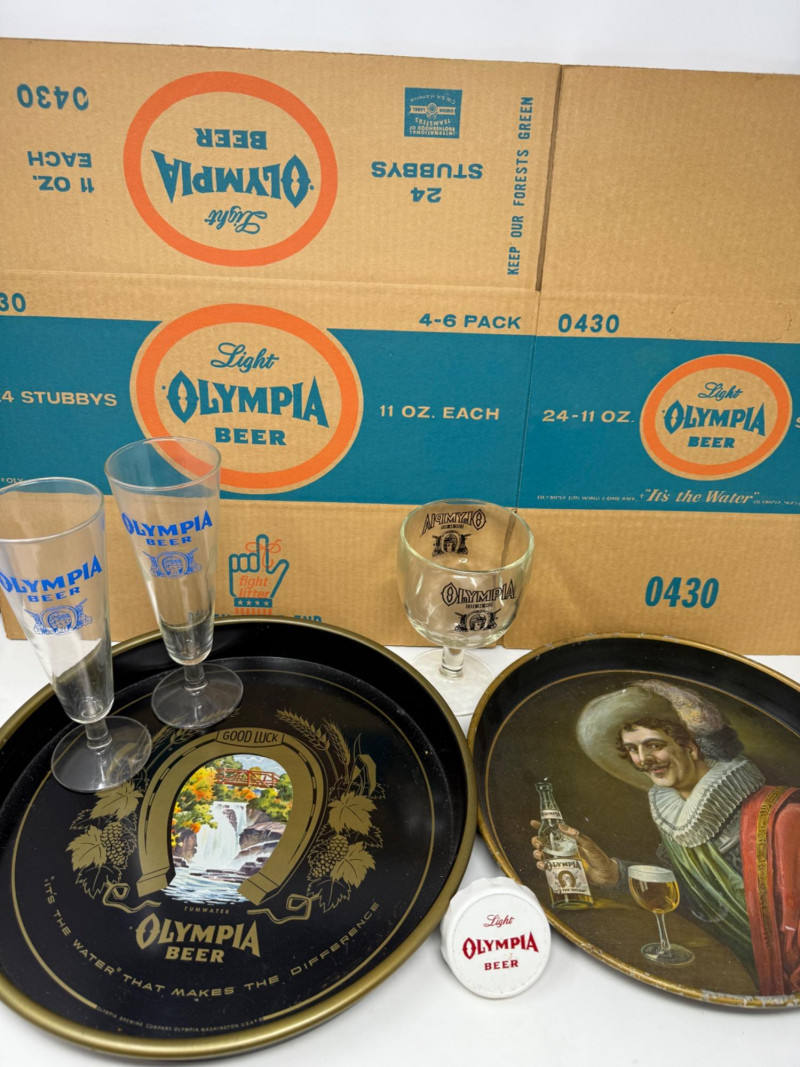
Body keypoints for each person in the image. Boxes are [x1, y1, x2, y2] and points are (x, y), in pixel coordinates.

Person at [531, 678, 800, 995]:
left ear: (691, 746)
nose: (642, 760)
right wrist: (612, 873)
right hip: (730, 973)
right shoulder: (676, 816)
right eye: (632, 749)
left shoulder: (784, 818)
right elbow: (694, 902)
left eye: (654, 745)